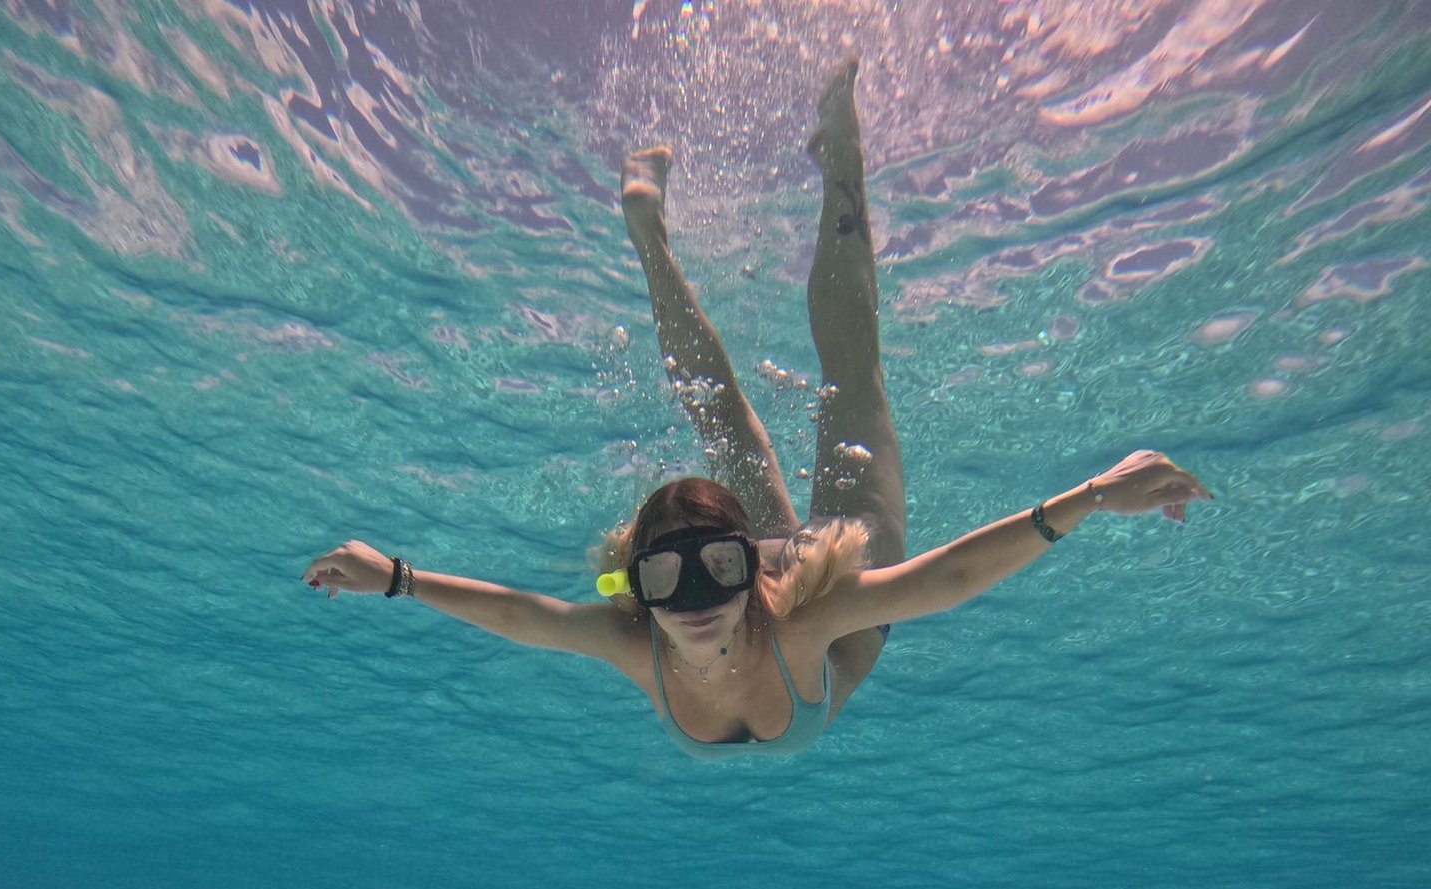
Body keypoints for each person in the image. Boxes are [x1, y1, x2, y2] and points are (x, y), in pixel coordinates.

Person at [304, 62, 1211, 758]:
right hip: (787, 572)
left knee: (814, 391)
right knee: (760, 406)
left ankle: (764, 192)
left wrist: (400, 577)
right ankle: (677, 224)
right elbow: (522, 615)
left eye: (706, 570)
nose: (695, 600)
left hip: (816, 570)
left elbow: (942, 583)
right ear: (640, 585)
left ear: (743, 562)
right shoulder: (678, 620)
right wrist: (392, 578)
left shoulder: (782, 614)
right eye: (671, 581)